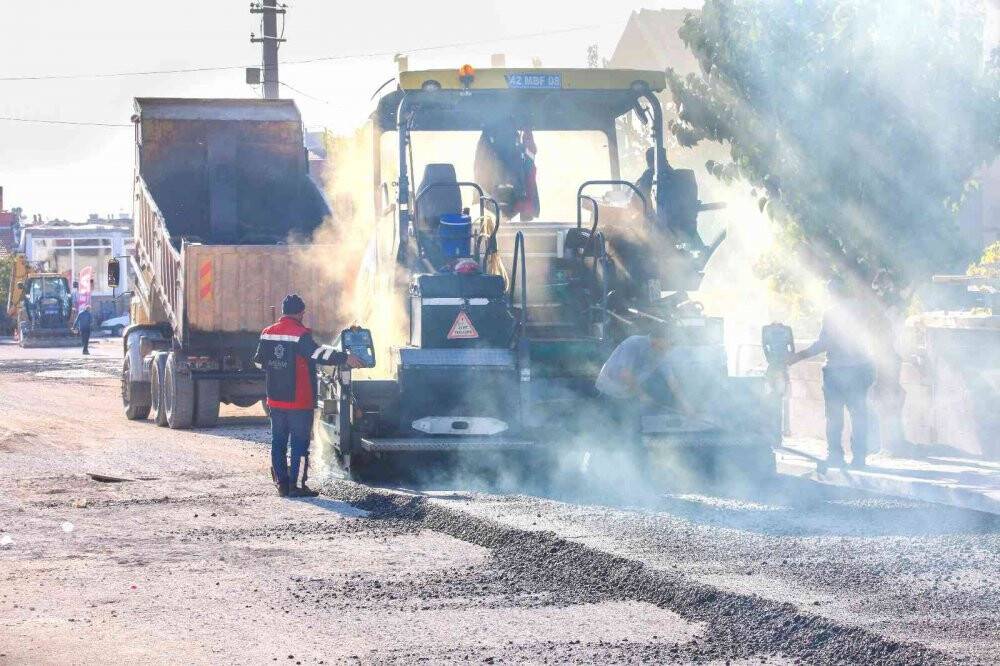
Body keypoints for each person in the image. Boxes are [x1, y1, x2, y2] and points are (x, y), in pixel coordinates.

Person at [253, 294, 365, 498]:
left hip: (275, 401)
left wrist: (278, 369)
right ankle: (296, 487)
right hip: (299, 402)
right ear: (300, 312)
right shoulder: (300, 335)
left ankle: (281, 484)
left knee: (278, 443)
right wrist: (345, 357)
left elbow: (259, 363)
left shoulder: (267, 333)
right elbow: (318, 354)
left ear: (282, 311)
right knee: (300, 445)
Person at [788, 278, 877, 469]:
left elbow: (824, 343)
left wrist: (798, 356)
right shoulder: (862, 310)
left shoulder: (832, 313)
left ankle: (835, 456)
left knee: (834, 417)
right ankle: (859, 458)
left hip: (836, 371)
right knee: (858, 415)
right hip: (860, 369)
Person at [595, 324, 692, 458]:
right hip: (609, 393)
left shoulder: (660, 354)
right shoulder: (634, 343)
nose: (671, 347)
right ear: (659, 339)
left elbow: (672, 381)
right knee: (612, 435)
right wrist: (641, 395)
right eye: (670, 343)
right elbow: (625, 374)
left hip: (627, 395)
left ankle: (636, 465)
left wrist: (685, 405)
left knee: (634, 434)